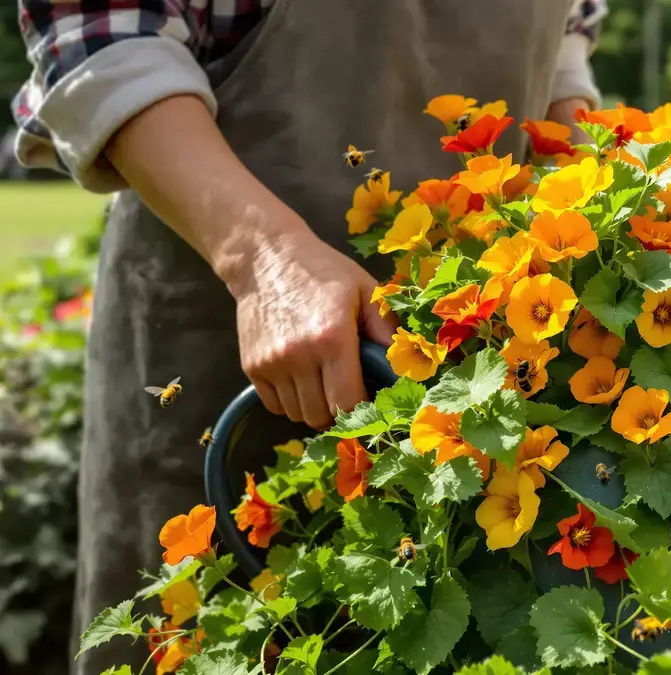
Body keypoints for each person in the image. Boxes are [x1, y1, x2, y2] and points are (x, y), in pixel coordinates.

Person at [11, 1, 605, 671]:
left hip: (478, 359)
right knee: (202, 630)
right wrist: (263, 257)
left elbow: (562, 32)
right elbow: (102, 39)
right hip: (215, 320)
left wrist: (590, 214)